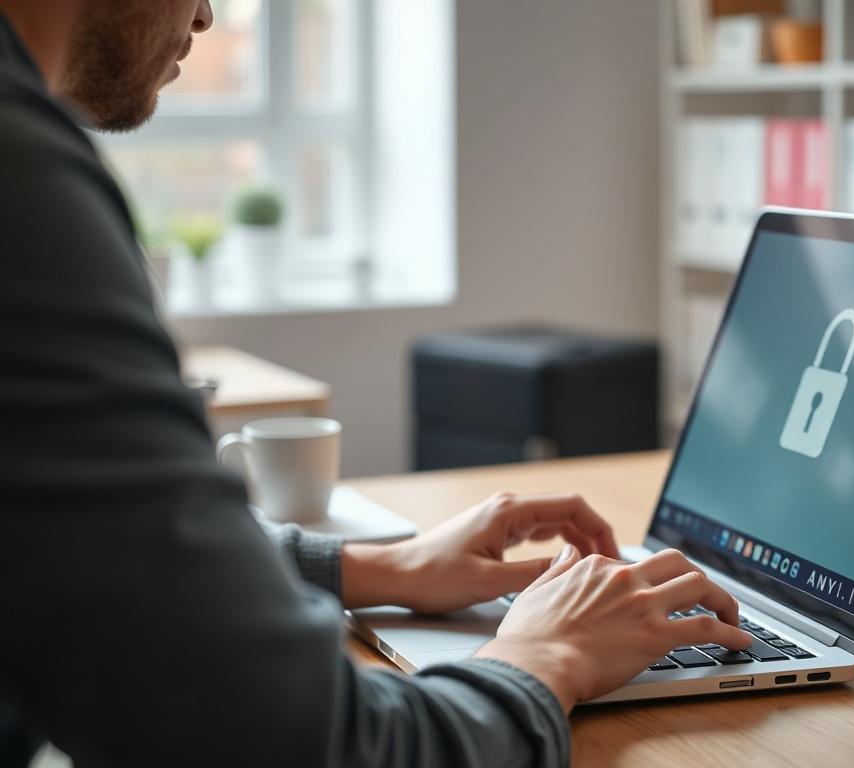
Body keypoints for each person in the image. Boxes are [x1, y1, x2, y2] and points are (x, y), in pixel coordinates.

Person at [0, 2, 751, 766]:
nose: (206, 13)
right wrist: (549, 655)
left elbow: (91, 552)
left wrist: (378, 566)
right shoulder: (22, 180)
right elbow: (308, 747)